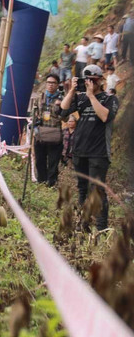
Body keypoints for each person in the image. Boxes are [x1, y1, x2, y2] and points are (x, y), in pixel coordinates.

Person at [59, 64, 119, 231]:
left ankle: (101, 228)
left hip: (98, 153)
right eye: (87, 81)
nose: (89, 84)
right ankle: (83, 224)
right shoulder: (80, 98)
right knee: (82, 189)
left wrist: (92, 96)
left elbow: (105, 117)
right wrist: (72, 90)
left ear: (100, 80)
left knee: (98, 190)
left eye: (92, 80)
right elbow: (62, 112)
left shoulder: (110, 99)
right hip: (80, 151)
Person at [33, 74, 64, 188]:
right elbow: (34, 114)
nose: (50, 85)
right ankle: (41, 184)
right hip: (40, 134)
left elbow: (65, 117)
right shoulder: (40, 97)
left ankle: (51, 185)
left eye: (53, 83)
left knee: (53, 163)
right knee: (39, 161)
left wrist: (61, 107)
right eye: (48, 82)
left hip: (55, 135)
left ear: (57, 85)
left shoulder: (62, 99)